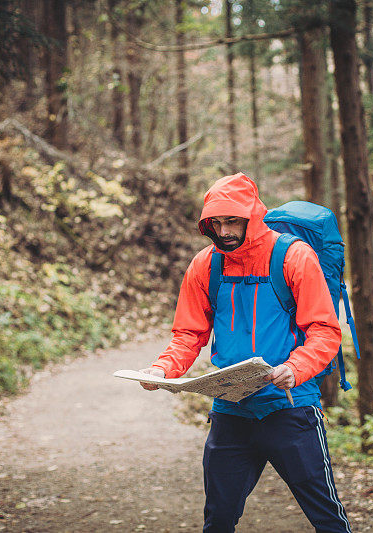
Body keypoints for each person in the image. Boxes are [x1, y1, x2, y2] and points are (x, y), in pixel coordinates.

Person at [139, 172, 351, 532]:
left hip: (290, 406)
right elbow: (189, 333)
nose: (224, 232)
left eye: (232, 221)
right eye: (216, 223)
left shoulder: (294, 257)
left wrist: (295, 367)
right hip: (231, 411)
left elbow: (325, 330)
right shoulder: (206, 265)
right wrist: (163, 370)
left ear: (252, 215)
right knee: (218, 518)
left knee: (326, 517)